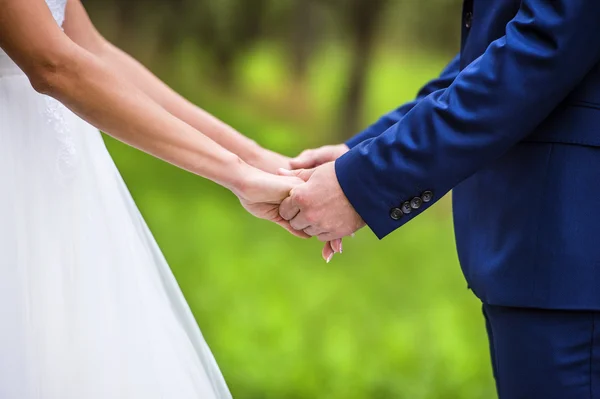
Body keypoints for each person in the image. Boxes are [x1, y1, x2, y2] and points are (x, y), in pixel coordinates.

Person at [0, 0, 343, 397]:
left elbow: (90, 48)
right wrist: (238, 175)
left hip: (63, 189)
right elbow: (52, 64)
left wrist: (258, 158)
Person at [281, 0, 600, 397]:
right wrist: (362, 153)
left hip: (570, 255)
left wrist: (365, 180)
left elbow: (541, 47)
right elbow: (488, 50)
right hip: (547, 254)